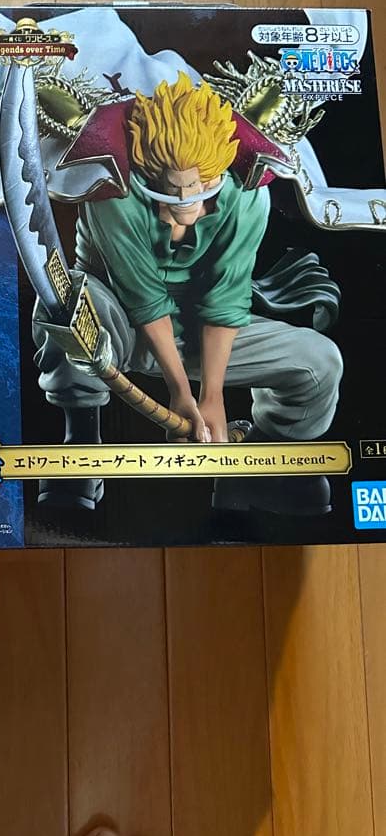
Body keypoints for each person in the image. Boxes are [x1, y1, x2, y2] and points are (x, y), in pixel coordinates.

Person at [34, 73, 342, 514]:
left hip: (200, 330)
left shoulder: (247, 196)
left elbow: (226, 296)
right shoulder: (111, 192)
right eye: (169, 190)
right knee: (67, 303)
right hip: (118, 321)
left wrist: (211, 397)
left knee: (320, 361)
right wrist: (181, 393)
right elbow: (143, 297)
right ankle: (81, 441)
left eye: (195, 189)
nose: (182, 201)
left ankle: (263, 467)